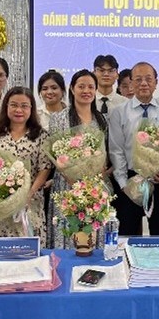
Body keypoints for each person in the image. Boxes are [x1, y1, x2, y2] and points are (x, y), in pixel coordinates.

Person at [108, 62, 159, 235]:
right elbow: (116, 150)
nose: (144, 83)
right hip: (130, 180)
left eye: (148, 79)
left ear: (156, 82)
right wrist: (124, 184)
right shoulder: (119, 112)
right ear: (131, 84)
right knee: (127, 234)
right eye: (138, 79)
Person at [0, 87, 52, 239]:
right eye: (14, 105)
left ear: (31, 109)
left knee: (28, 247)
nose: (19, 110)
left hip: (30, 203)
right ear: (6, 106)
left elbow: (44, 168)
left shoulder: (41, 136)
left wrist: (27, 194)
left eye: (24, 106)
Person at [46, 70, 108, 249]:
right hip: (67, 184)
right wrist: (72, 178)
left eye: (91, 87)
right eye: (81, 86)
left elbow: (103, 153)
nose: (86, 91)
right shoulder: (59, 118)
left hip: (93, 186)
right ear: (72, 89)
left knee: (92, 232)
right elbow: (56, 152)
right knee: (68, 230)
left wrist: (97, 175)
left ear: (96, 90)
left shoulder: (101, 119)